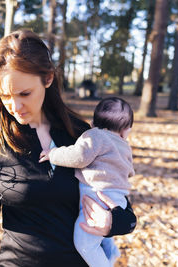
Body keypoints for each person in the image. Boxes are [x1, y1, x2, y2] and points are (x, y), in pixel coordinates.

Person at [0, 29, 136, 267]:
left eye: (25, 93)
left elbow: (123, 208)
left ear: (48, 79)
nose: (15, 106)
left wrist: (112, 223)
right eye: (5, 95)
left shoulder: (82, 135)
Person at [39, 97, 135, 267]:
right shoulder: (124, 145)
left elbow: (78, 156)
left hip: (97, 195)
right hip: (118, 199)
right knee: (100, 233)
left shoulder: (94, 135)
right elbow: (129, 171)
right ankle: (110, 251)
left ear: (92, 123)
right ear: (126, 130)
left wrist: (53, 154)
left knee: (84, 243)